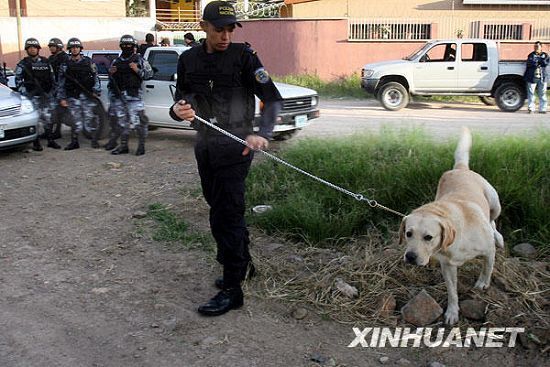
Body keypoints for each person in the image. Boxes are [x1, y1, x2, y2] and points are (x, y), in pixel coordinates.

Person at [170, 1, 282, 317]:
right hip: (205, 145)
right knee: (216, 204)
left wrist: (264, 133)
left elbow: (272, 100)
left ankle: (233, 289)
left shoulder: (244, 56)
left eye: (231, 28)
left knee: (226, 215)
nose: (226, 35)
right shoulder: (188, 59)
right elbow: (183, 98)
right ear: (203, 26)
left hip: (238, 145)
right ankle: (243, 265)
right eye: (219, 28)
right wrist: (179, 111)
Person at [105, 35, 153, 155]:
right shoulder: (116, 61)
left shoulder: (140, 60)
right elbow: (111, 82)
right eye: (124, 45)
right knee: (122, 123)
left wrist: (137, 70)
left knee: (138, 123)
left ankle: (141, 146)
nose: (127, 47)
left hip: (134, 97)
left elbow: (149, 74)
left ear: (133, 46)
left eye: (129, 45)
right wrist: (111, 74)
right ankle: (123, 146)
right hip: (118, 97)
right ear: (121, 46)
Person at [15, 37, 61, 150]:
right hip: (31, 96)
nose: (32, 50)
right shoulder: (22, 64)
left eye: (34, 47)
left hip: (45, 95)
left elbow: (52, 78)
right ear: (27, 49)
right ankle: (36, 142)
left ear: (38, 49)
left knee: (48, 118)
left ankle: (50, 140)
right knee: (35, 119)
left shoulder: (46, 62)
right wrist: (26, 95)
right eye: (30, 48)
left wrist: (51, 92)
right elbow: (18, 81)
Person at [57, 37, 101, 150]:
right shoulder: (65, 65)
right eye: (72, 48)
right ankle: (74, 142)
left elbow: (96, 77)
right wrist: (62, 98)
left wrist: (96, 91)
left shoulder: (88, 62)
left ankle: (94, 140)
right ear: (69, 49)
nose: (75, 50)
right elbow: (61, 82)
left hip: (87, 95)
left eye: (77, 47)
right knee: (75, 119)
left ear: (80, 49)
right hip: (73, 95)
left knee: (90, 118)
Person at [47, 37, 69, 140]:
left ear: (59, 47)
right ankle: (49, 131)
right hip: (52, 87)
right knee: (51, 110)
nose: (51, 48)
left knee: (58, 110)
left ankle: (57, 131)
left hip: (61, 87)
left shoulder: (64, 58)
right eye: (50, 46)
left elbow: (64, 75)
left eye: (53, 46)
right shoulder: (51, 58)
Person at [525, 41, 548, 114]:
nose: (536, 48)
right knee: (531, 93)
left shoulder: (545, 55)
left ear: (541, 47)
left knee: (542, 93)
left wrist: (538, 61)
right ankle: (531, 108)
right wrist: (539, 61)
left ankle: (542, 109)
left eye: (537, 46)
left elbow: (545, 63)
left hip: (542, 77)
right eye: (535, 46)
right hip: (532, 77)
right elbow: (530, 63)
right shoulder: (531, 55)